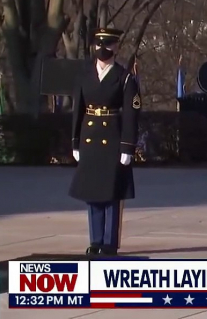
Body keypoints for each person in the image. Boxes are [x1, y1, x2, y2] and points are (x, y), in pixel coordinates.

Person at [69, 28, 140, 256]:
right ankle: (96, 240)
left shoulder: (125, 78)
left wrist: (128, 146)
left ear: (115, 47)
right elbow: (77, 110)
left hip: (113, 140)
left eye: (107, 45)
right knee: (93, 193)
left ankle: (109, 243)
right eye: (99, 45)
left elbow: (131, 113)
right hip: (90, 140)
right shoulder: (85, 75)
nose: (102, 49)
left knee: (111, 193)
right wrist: (75, 142)